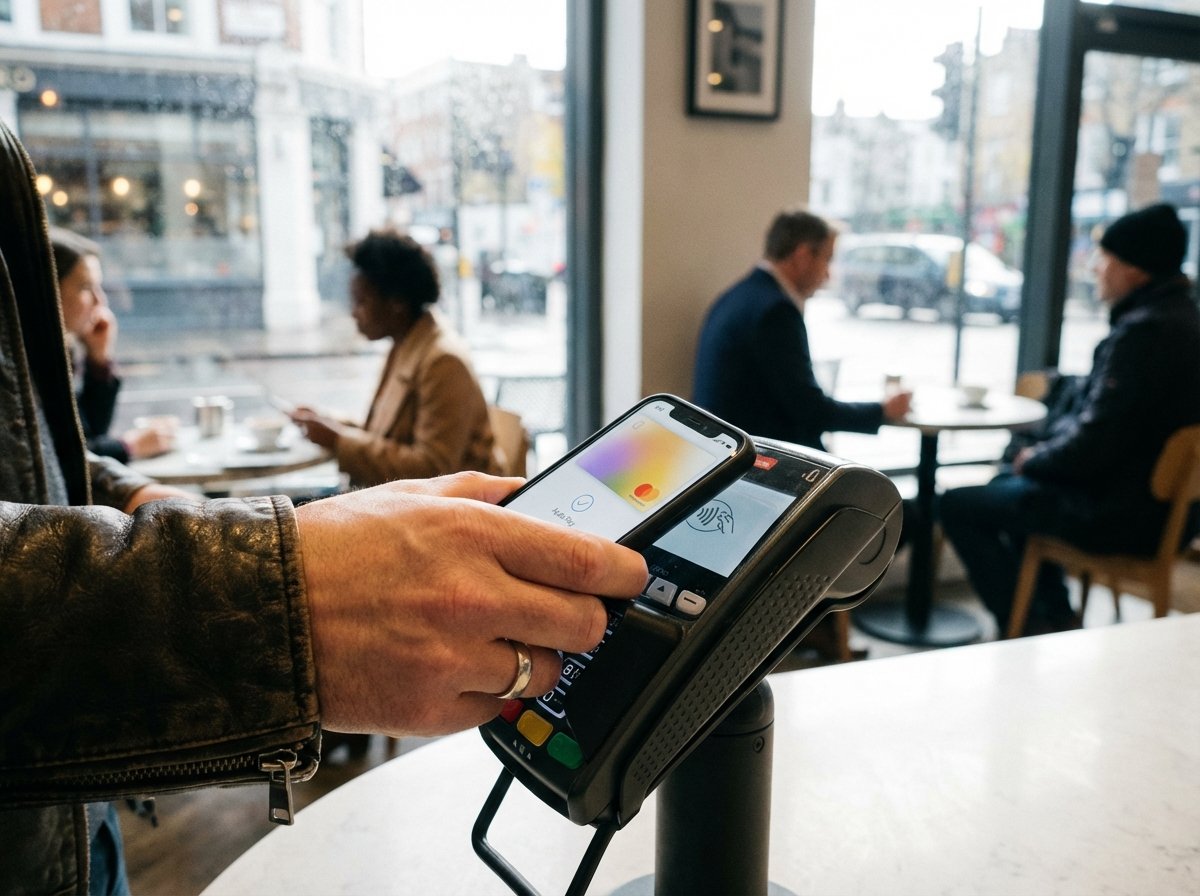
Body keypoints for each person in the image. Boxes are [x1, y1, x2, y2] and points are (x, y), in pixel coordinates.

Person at [0, 121, 648, 895]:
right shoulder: (408, 351)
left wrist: (143, 500)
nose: (351, 309)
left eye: (361, 295)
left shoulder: (438, 360)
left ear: (392, 298)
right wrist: (280, 581)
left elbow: (439, 469)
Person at [940, 203, 1200, 636]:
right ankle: (1054, 614)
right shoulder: (1184, 322)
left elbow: (1096, 443)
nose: (1096, 268)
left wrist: (1034, 460)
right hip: (1163, 514)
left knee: (958, 503)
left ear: (1136, 269)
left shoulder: (1144, 334)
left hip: (1119, 515)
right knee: (1016, 487)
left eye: (1106, 258)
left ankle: (1024, 626)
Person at [290, 228, 503, 487]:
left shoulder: (444, 361)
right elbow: (388, 433)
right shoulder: (407, 342)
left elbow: (432, 470)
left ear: (397, 303)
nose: (354, 314)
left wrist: (338, 440)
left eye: (362, 302)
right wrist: (329, 424)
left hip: (455, 513)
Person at [693, 209, 912, 450]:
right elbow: (808, 409)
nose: (828, 275)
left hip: (721, 449)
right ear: (803, 255)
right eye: (827, 260)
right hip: (757, 459)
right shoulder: (775, 312)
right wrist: (882, 411)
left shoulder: (739, 296)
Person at [51, 227, 176, 462]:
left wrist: (98, 359)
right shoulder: (31, 364)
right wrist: (129, 446)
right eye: (86, 288)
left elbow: (90, 431)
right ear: (49, 292)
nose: (101, 300)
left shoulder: (59, 352)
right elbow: (67, 460)